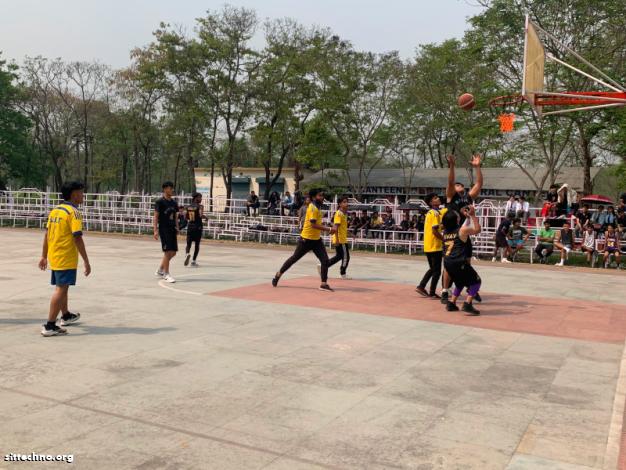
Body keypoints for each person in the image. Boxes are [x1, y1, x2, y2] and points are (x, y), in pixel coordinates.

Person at [38, 181, 91, 337]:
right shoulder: (74, 213)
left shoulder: (55, 211)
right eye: (81, 192)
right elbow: (77, 238)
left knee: (62, 287)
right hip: (66, 256)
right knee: (61, 289)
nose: (83, 195)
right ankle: (50, 325)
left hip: (55, 255)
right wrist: (86, 261)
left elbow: (47, 235)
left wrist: (44, 255)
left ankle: (66, 315)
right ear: (74, 194)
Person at [272, 189, 336, 291]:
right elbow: (313, 225)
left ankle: (323, 284)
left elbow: (317, 223)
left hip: (316, 240)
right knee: (294, 259)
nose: (322, 197)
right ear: (314, 197)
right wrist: (329, 229)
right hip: (306, 239)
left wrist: (329, 226)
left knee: (325, 260)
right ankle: (278, 274)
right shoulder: (313, 207)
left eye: (322, 195)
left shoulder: (318, 207)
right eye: (320, 195)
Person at [443, 153, 482, 305]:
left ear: (463, 188)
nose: (456, 186)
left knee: (466, 261)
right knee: (449, 263)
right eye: (455, 185)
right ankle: (445, 290)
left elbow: (478, 184)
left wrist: (477, 167)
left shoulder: (467, 197)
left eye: (459, 185)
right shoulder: (451, 196)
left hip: (463, 233)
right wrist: (452, 166)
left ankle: (470, 286)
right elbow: (450, 181)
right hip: (452, 232)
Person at [442, 206, 482, 315]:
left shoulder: (445, 232)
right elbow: (477, 229)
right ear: (456, 220)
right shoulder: (461, 230)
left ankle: (452, 303)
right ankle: (467, 304)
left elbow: (463, 227)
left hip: (448, 262)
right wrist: (473, 215)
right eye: (458, 216)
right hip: (458, 262)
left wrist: (468, 217)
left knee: (460, 282)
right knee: (476, 282)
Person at [416, 193, 446, 298]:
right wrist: (444, 239)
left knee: (433, 269)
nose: (438, 198)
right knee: (436, 271)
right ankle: (431, 292)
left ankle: (421, 286)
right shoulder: (434, 213)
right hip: (434, 246)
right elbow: (434, 231)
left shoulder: (433, 212)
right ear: (431, 202)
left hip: (429, 245)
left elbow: (438, 226)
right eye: (435, 198)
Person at [154, 181, 179, 283]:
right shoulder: (160, 202)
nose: (172, 190)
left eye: (172, 188)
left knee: (173, 252)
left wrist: (177, 227)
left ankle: (160, 269)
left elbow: (175, 216)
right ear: (165, 189)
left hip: (172, 228)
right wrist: (155, 230)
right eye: (170, 188)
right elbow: (156, 217)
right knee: (167, 251)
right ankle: (166, 273)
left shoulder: (174, 203)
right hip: (164, 229)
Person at [327, 196, 351, 279]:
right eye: (344, 202)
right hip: (340, 240)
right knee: (346, 257)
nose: (346, 203)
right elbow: (336, 228)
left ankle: (324, 265)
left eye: (347, 202)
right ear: (340, 204)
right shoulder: (339, 214)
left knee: (339, 256)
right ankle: (343, 273)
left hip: (342, 238)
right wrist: (337, 239)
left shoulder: (344, 214)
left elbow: (343, 228)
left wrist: (351, 234)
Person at [184, 192, 204, 267]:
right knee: (197, 244)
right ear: (196, 198)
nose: (201, 199)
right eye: (200, 197)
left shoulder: (188, 207)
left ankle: (187, 254)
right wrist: (205, 217)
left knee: (188, 244)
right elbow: (201, 215)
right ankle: (193, 261)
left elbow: (186, 217)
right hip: (198, 227)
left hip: (190, 227)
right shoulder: (200, 206)